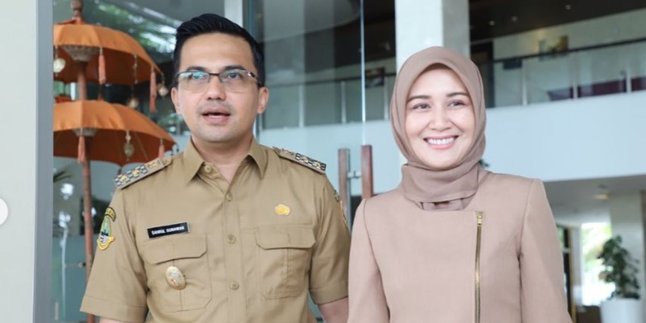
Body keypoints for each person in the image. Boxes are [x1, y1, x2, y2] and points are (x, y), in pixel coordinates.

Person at [81, 13, 350, 323]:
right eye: (196, 76)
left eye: (233, 75)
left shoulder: (309, 187)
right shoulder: (135, 198)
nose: (214, 91)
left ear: (261, 98)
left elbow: (344, 312)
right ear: (178, 100)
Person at [347, 46, 572, 323]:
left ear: (477, 111)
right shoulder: (374, 216)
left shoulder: (521, 199)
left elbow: (548, 317)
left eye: (456, 103)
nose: (440, 122)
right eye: (421, 106)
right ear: (399, 119)